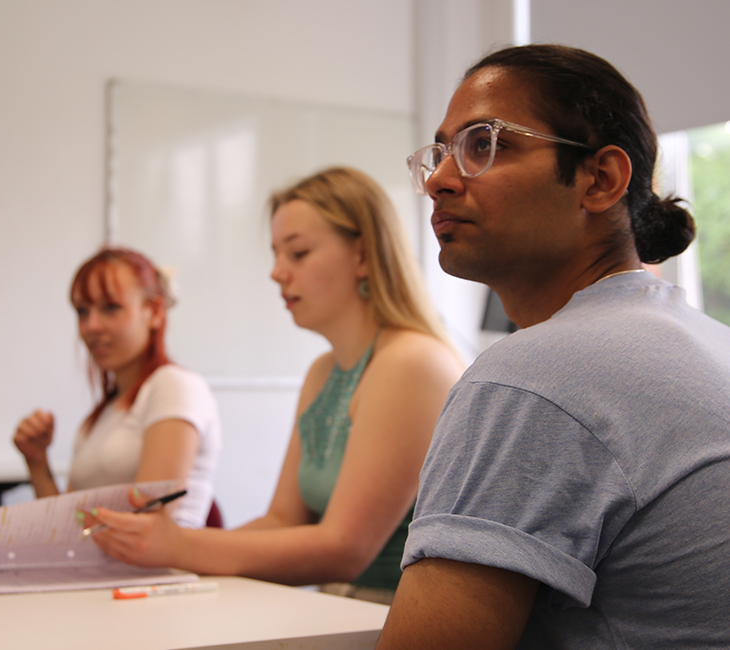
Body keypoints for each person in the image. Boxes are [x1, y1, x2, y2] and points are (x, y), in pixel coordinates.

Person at [376, 44, 730, 649]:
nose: (438, 180)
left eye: (485, 144)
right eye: (440, 153)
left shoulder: (534, 378)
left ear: (601, 179)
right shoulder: (707, 340)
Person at [83, 167, 465, 603]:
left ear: (362, 255)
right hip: (341, 606)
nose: (276, 273)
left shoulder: (412, 362)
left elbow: (345, 549)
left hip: (402, 618)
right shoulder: (323, 371)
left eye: (297, 253)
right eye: (275, 254)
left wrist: (180, 546)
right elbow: (283, 519)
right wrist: (178, 559)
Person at [13, 247, 222, 529]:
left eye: (111, 308)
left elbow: (148, 526)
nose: (91, 326)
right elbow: (64, 531)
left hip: (162, 572)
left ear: (155, 311)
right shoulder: (102, 415)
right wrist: (37, 462)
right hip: (109, 569)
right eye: (82, 312)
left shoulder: (173, 385)